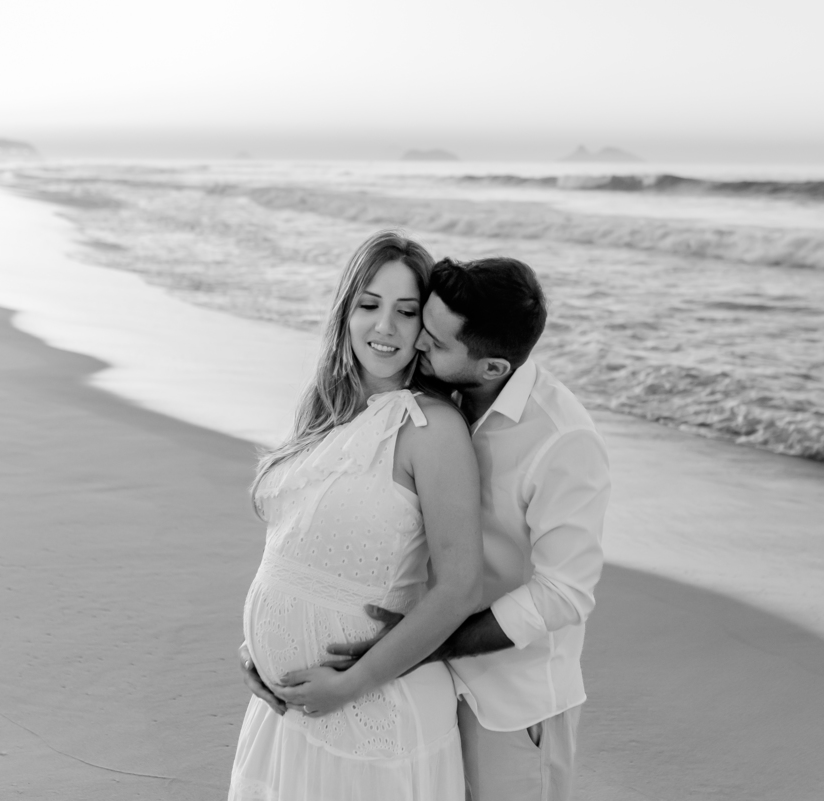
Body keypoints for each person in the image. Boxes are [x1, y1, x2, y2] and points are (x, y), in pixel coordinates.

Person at [242, 255, 611, 801]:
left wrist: (417, 648)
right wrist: (267, 640)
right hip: (415, 684)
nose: (415, 344)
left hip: (508, 701)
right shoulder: (427, 399)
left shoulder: (562, 440)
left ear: (492, 369)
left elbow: (565, 594)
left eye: (431, 338)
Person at [228, 231, 483, 801]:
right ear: (346, 312)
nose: (384, 327)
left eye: (406, 311)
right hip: (288, 711)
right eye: (369, 305)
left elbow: (461, 586)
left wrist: (353, 684)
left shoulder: (430, 428)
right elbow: (299, 548)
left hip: (374, 713)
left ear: (426, 329)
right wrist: (260, 651)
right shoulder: (326, 416)